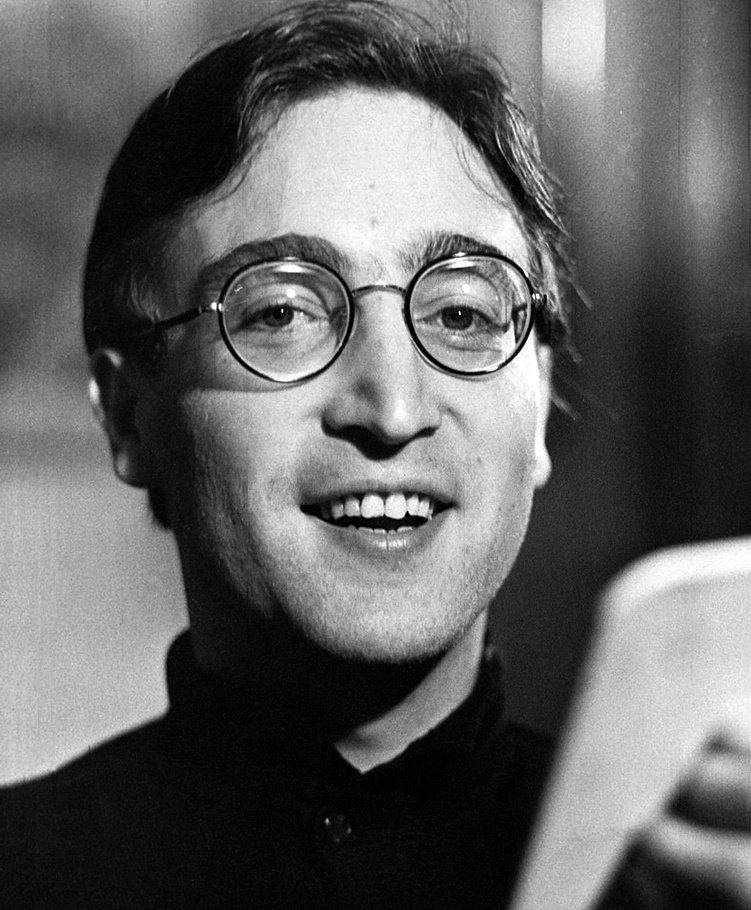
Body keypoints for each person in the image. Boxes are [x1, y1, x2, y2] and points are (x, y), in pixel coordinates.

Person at [1, 2, 749, 907]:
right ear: (128, 416)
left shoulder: (686, 876)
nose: (392, 410)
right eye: (281, 313)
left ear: (541, 405)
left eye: (463, 313)